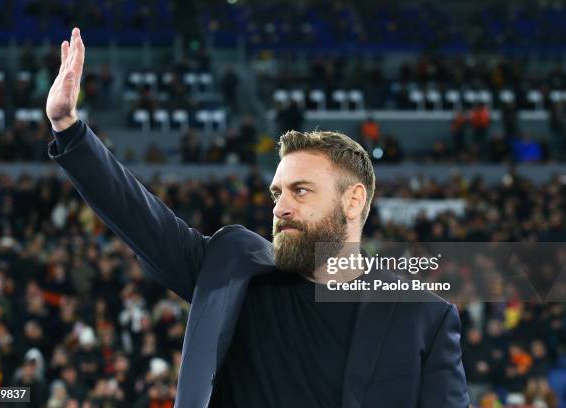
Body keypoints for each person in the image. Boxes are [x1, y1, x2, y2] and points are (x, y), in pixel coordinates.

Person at [46, 28, 469, 407]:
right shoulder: (235, 268)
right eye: (277, 193)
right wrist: (69, 128)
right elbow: (143, 220)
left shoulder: (423, 317)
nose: (281, 207)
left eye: (301, 191)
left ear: (353, 200)